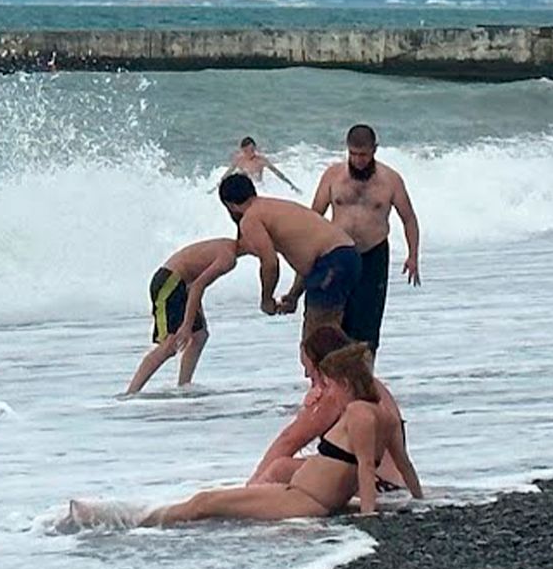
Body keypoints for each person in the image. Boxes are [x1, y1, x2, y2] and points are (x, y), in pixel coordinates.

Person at [65, 336, 422, 527]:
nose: (322, 388)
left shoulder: (358, 412)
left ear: (344, 381)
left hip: (303, 500)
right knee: (214, 505)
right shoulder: (380, 411)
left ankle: (127, 520)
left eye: (325, 382)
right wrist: (421, 502)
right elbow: (404, 465)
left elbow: (362, 467)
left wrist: (370, 517)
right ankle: (141, 516)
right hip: (305, 493)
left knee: (208, 502)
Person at [249, 325, 410, 490]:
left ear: (322, 367)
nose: (306, 375)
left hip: (376, 484)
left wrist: (252, 484)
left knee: (280, 468)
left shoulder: (336, 393)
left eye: (308, 367)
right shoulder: (371, 384)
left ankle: (250, 496)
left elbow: (289, 439)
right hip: (395, 483)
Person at [310, 124, 421, 354]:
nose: (358, 160)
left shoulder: (391, 180)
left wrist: (413, 256)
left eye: (363, 154)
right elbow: (314, 217)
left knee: (367, 324)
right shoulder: (333, 176)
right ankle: (327, 382)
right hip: (337, 254)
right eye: (353, 154)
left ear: (374, 150)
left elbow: (409, 219)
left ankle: (364, 380)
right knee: (328, 323)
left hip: (373, 255)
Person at [219, 174, 360, 340]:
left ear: (230, 205)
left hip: (332, 263)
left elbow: (270, 263)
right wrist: (294, 296)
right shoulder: (275, 206)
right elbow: (309, 257)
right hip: (349, 257)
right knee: (344, 338)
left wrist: (266, 300)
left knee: (317, 344)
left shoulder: (250, 219)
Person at [123, 237, 244, 396]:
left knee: (199, 335)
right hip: (170, 281)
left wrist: (192, 317)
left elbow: (195, 282)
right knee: (170, 343)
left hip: (183, 285)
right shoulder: (227, 257)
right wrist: (186, 325)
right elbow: (197, 286)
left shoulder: (226, 247)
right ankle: (130, 393)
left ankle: (184, 386)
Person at [225, 137, 300, 194]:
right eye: (246, 151)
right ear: (242, 150)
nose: (251, 153)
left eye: (252, 150)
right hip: (244, 190)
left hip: (258, 189)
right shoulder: (239, 160)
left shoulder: (261, 160)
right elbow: (228, 173)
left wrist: (292, 185)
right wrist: (220, 183)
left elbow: (277, 173)